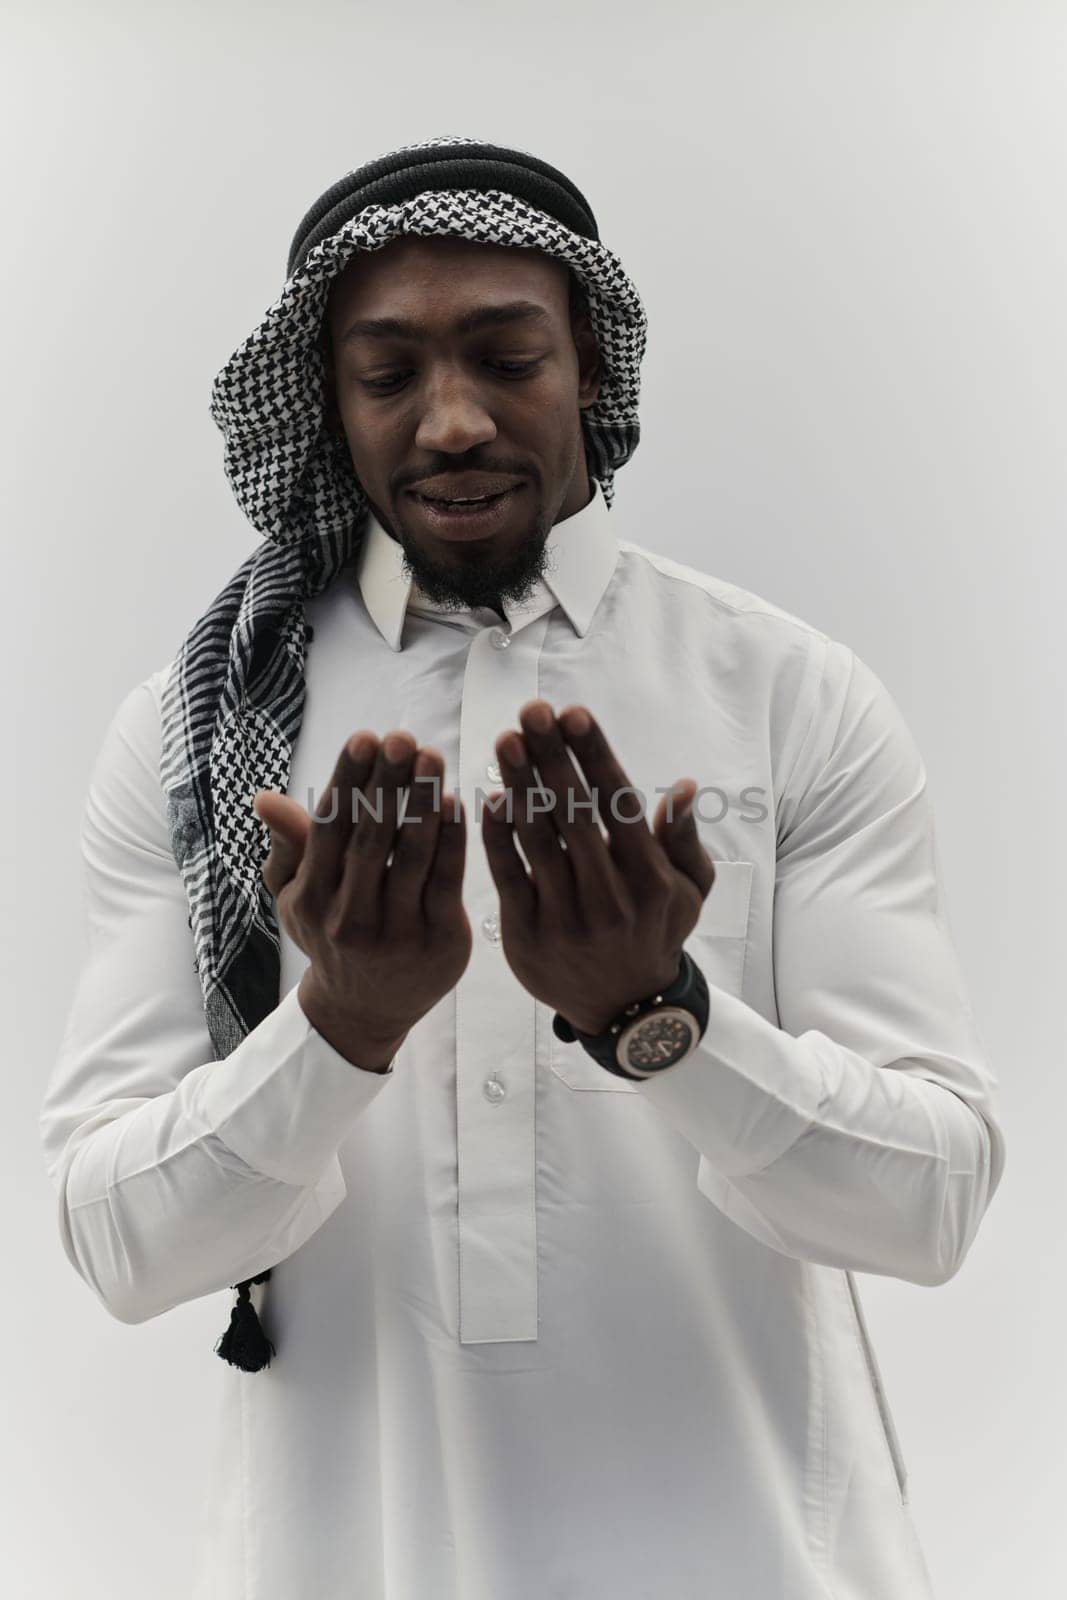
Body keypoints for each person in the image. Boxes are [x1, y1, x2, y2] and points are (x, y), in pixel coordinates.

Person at [39, 136, 1006, 1599]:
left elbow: (931, 1211)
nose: (450, 423)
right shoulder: (203, 735)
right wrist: (337, 1030)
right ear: (327, 404)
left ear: (594, 373)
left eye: (507, 357)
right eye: (388, 377)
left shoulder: (788, 693)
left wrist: (659, 1020)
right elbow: (120, 1248)